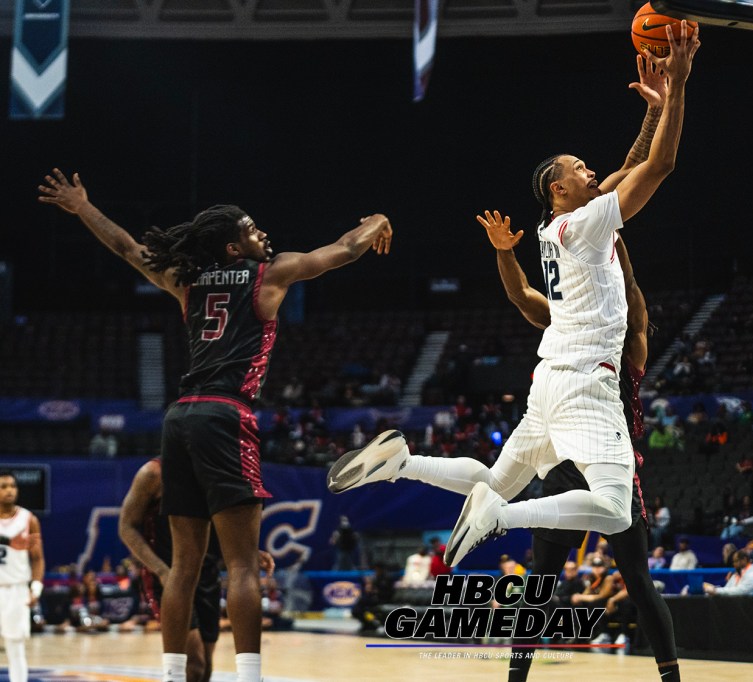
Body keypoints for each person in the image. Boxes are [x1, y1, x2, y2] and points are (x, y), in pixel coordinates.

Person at [325, 25, 701, 571]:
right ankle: (500, 518)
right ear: (558, 188)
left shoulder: (560, 228)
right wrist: (682, 86)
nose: (590, 170)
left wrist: (654, 112)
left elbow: (628, 169)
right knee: (617, 509)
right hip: (585, 385)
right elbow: (658, 167)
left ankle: (402, 462)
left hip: (550, 381)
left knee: (495, 480)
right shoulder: (585, 225)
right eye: (578, 167)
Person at [38, 168, 393, 682]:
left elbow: (125, 247)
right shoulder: (270, 274)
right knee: (243, 565)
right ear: (232, 248)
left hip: (179, 417)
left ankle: (171, 675)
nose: (261, 234)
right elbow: (346, 248)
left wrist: (83, 207)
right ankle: (249, 676)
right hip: (227, 413)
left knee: (184, 566)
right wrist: (379, 219)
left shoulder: (186, 281)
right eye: (251, 230)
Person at [473, 160, 682, 678]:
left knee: (637, 578)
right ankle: (515, 676)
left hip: (610, 458)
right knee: (542, 579)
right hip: (573, 454)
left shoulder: (631, 341)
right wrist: (507, 255)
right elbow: (523, 297)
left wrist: (611, 231)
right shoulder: (575, 315)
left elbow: (629, 284)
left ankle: (671, 674)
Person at [118, 458, 275, 682]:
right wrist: (161, 571)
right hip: (171, 577)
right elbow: (126, 526)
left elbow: (214, 527)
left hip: (207, 573)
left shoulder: (213, 468)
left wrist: (248, 552)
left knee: (206, 668)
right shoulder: (153, 473)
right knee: (194, 663)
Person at [0, 471, 44, 682]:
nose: (9, 490)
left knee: (15, 648)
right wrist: (9, 541)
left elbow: (37, 558)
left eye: (12, 486)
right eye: (3, 486)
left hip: (15, 588)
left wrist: (36, 587)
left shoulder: (29, 519)